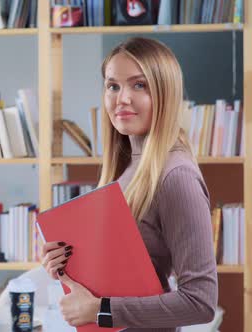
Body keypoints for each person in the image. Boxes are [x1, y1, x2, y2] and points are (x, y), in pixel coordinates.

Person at [40, 37, 217, 331]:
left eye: (139, 85)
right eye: (113, 86)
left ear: (166, 93)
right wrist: (64, 264)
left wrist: (101, 310)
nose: (122, 99)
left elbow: (200, 302)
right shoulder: (129, 168)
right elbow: (118, 271)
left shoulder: (176, 177)